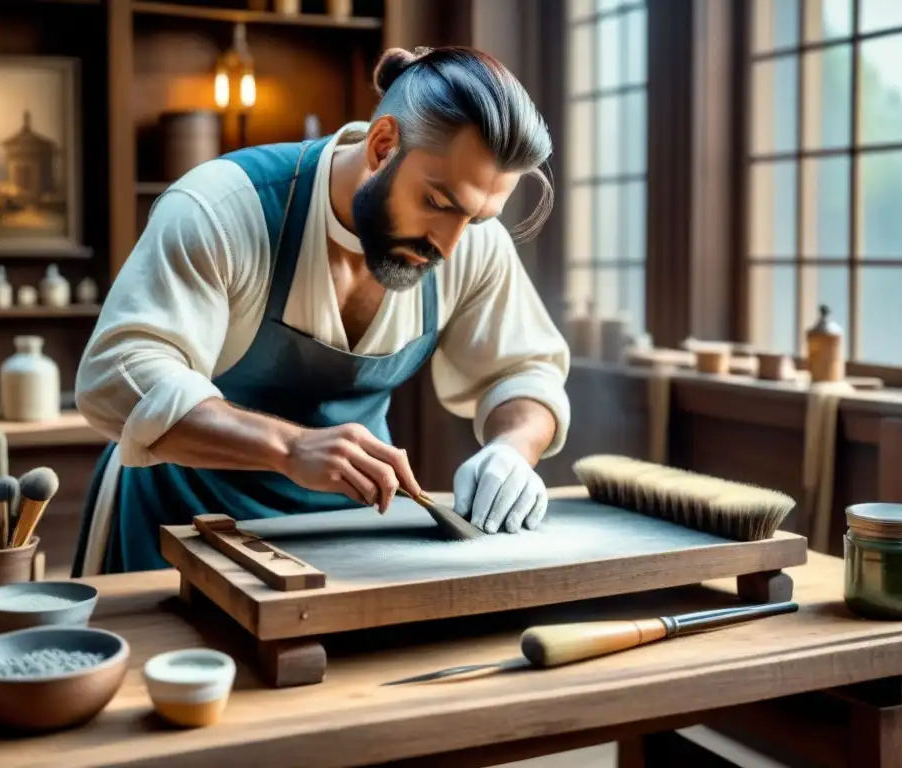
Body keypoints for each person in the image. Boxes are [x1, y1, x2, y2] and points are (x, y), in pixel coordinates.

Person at [71, 45, 571, 576]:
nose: (448, 246)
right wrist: (289, 447)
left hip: (348, 536)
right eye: (438, 203)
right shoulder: (222, 208)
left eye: (474, 218)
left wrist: (514, 448)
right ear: (382, 146)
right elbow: (116, 378)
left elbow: (523, 370)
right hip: (177, 525)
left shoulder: (471, 245)